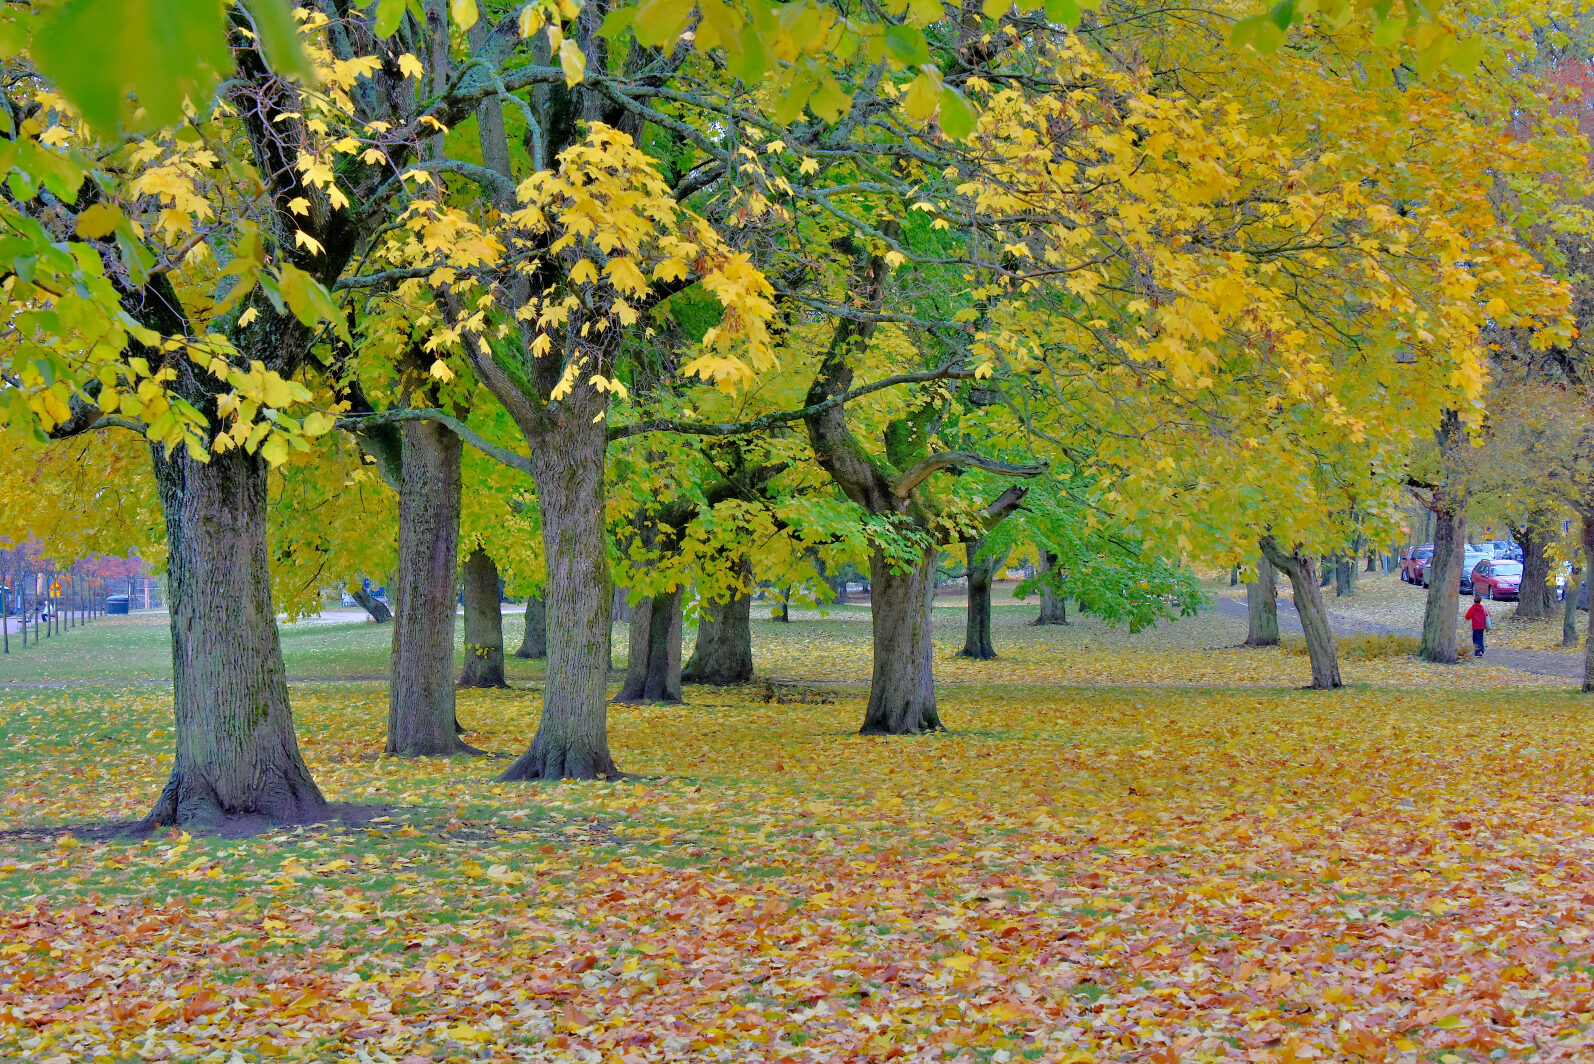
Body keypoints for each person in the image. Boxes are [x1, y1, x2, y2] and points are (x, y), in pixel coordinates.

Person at [1464, 593, 1489, 657]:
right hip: (1482, 626)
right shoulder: (1483, 607)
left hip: (1475, 626)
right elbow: (1488, 614)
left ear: (1474, 600)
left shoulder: (1473, 607)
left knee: (1475, 639)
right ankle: (1482, 650)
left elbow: (1467, 617)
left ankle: (1477, 651)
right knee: (1480, 638)